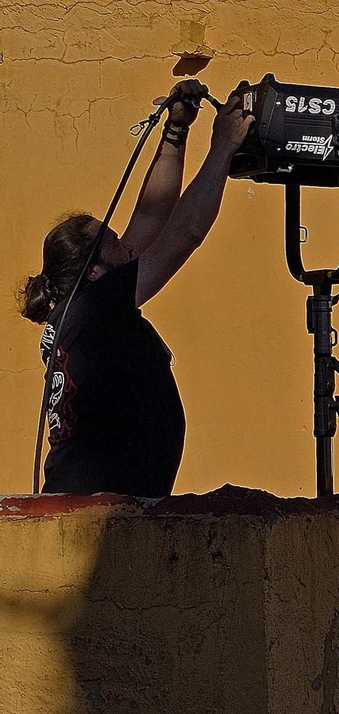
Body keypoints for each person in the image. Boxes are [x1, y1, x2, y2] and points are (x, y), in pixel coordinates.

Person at [19, 80, 253, 496]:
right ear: (93, 271)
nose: (126, 243)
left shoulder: (85, 309)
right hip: (96, 514)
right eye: (112, 241)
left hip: (97, 504)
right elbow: (185, 232)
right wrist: (222, 149)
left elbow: (151, 216)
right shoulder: (94, 309)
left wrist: (176, 133)